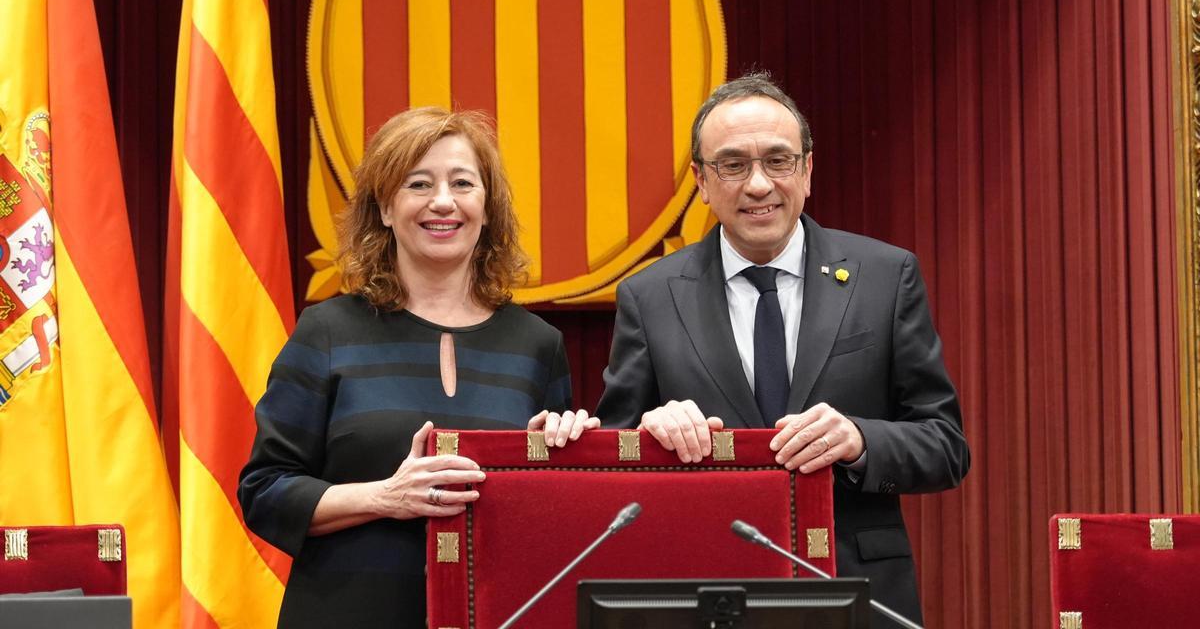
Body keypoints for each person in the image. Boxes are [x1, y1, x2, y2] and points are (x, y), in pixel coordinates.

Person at [595, 72, 969, 627]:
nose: (758, 185)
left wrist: (861, 439)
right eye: (733, 165)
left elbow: (945, 447)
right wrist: (652, 433)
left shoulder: (885, 277)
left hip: (857, 590)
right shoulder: (649, 296)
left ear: (808, 170)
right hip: (706, 590)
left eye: (778, 161)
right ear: (700, 180)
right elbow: (612, 462)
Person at [239, 107, 597, 628]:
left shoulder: (537, 345)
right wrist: (386, 496)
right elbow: (264, 492)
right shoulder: (328, 332)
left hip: (498, 614)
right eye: (419, 184)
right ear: (385, 208)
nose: (443, 202)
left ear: (487, 207)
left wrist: (559, 459)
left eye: (462, 183)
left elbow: (551, 517)